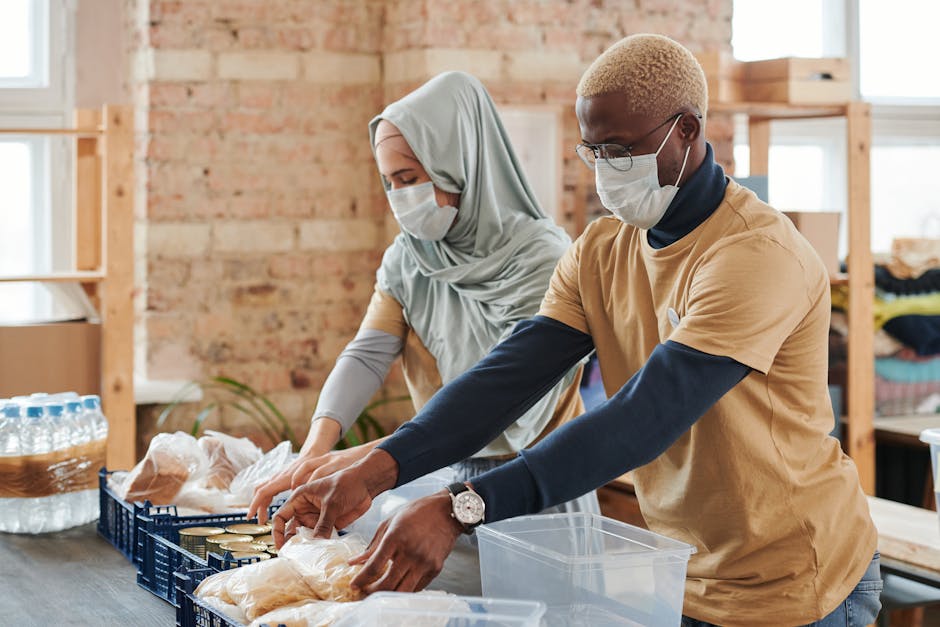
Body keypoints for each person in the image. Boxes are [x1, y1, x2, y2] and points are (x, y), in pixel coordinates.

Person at [272, 35, 881, 626]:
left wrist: (460, 509)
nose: (605, 171)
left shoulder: (754, 255)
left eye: (620, 150)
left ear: (687, 130)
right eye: (593, 151)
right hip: (693, 572)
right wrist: (376, 469)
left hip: (800, 578)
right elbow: (509, 377)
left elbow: (645, 417)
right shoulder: (601, 249)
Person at [248, 71, 599, 525]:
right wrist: (315, 449)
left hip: (536, 490)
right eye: (389, 181)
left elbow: (497, 413)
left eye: (409, 177)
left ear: (461, 161)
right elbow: (368, 354)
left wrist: (364, 464)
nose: (398, 197)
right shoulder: (411, 257)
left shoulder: (544, 261)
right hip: (441, 478)